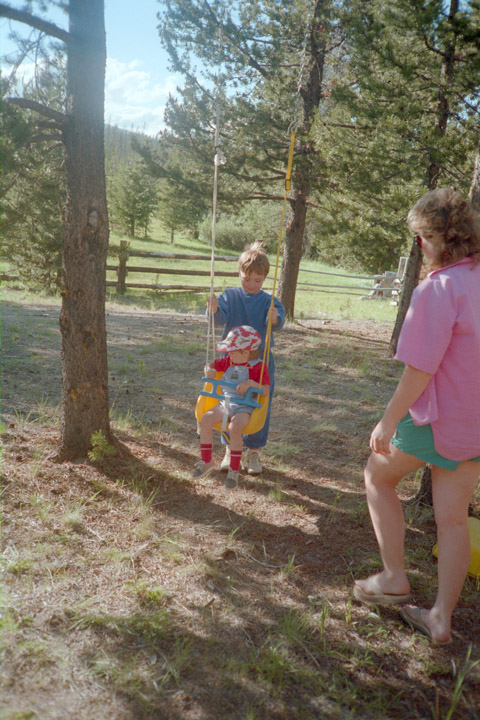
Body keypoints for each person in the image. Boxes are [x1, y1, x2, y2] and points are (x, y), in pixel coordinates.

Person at [353, 187, 480, 645]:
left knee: (377, 476)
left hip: (438, 419)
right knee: (452, 518)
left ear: (436, 239)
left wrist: (388, 421)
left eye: (420, 238)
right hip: (477, 426)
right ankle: (440, 618)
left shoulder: (438, 289)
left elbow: (419, 369)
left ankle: (392, 578)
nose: (418, 246)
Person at [207, 240, 285, 475]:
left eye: (257, 280)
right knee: (229, 401)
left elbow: (279, 321)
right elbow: (219, 318)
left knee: (259, 404)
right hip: (232, 361)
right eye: (246, 278)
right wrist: (213, 309)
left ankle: (253, 452)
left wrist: (274, 319)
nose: (251, 284)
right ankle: (231, 448)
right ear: (239, 273)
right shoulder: (230, 296)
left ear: (264, 279)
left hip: (259, 361)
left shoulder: (268, 301)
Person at [193, 326, 271, 489]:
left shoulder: (258, 367)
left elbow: (266, 390)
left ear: (246, 352)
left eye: (232, 351)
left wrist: (252, 383)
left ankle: (234, 470)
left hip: (244, 408)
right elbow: (210, 365)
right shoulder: (229, 361)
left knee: (235, 427)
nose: (228, 354)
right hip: (225, 403)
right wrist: (209, 370)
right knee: (206, 419)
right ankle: (207, 461)